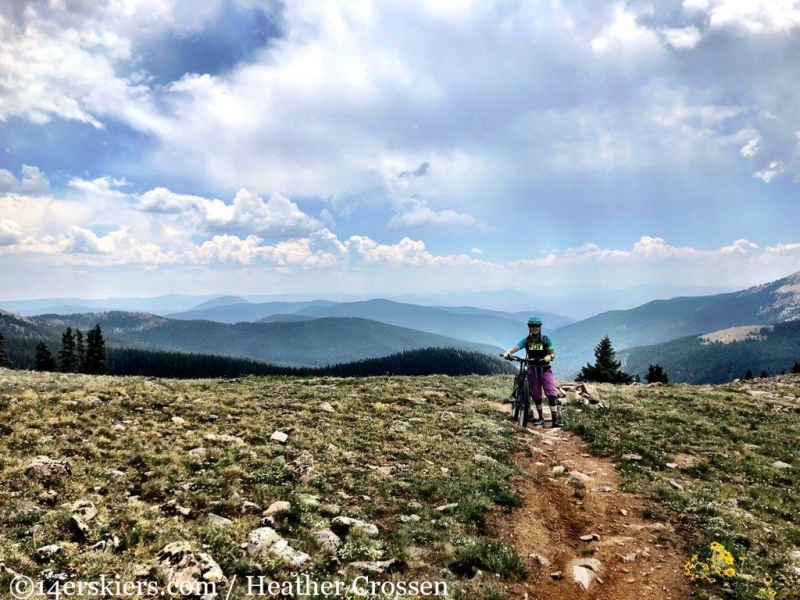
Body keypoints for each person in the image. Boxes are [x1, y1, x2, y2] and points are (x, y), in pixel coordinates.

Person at [503, 317, 563, 428]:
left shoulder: (546, 339)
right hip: (532, 369)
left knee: (551, 394)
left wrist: (549, 356)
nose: (534, 328)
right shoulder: (526, 340)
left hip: (545, 369)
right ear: (529, 328)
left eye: (537, 327)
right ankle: (540, 418)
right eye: (532, 327)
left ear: (540, 328)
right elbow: (516, 347)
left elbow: (553, 353)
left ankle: (555, 420)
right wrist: (508, 352)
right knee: (536, 395)